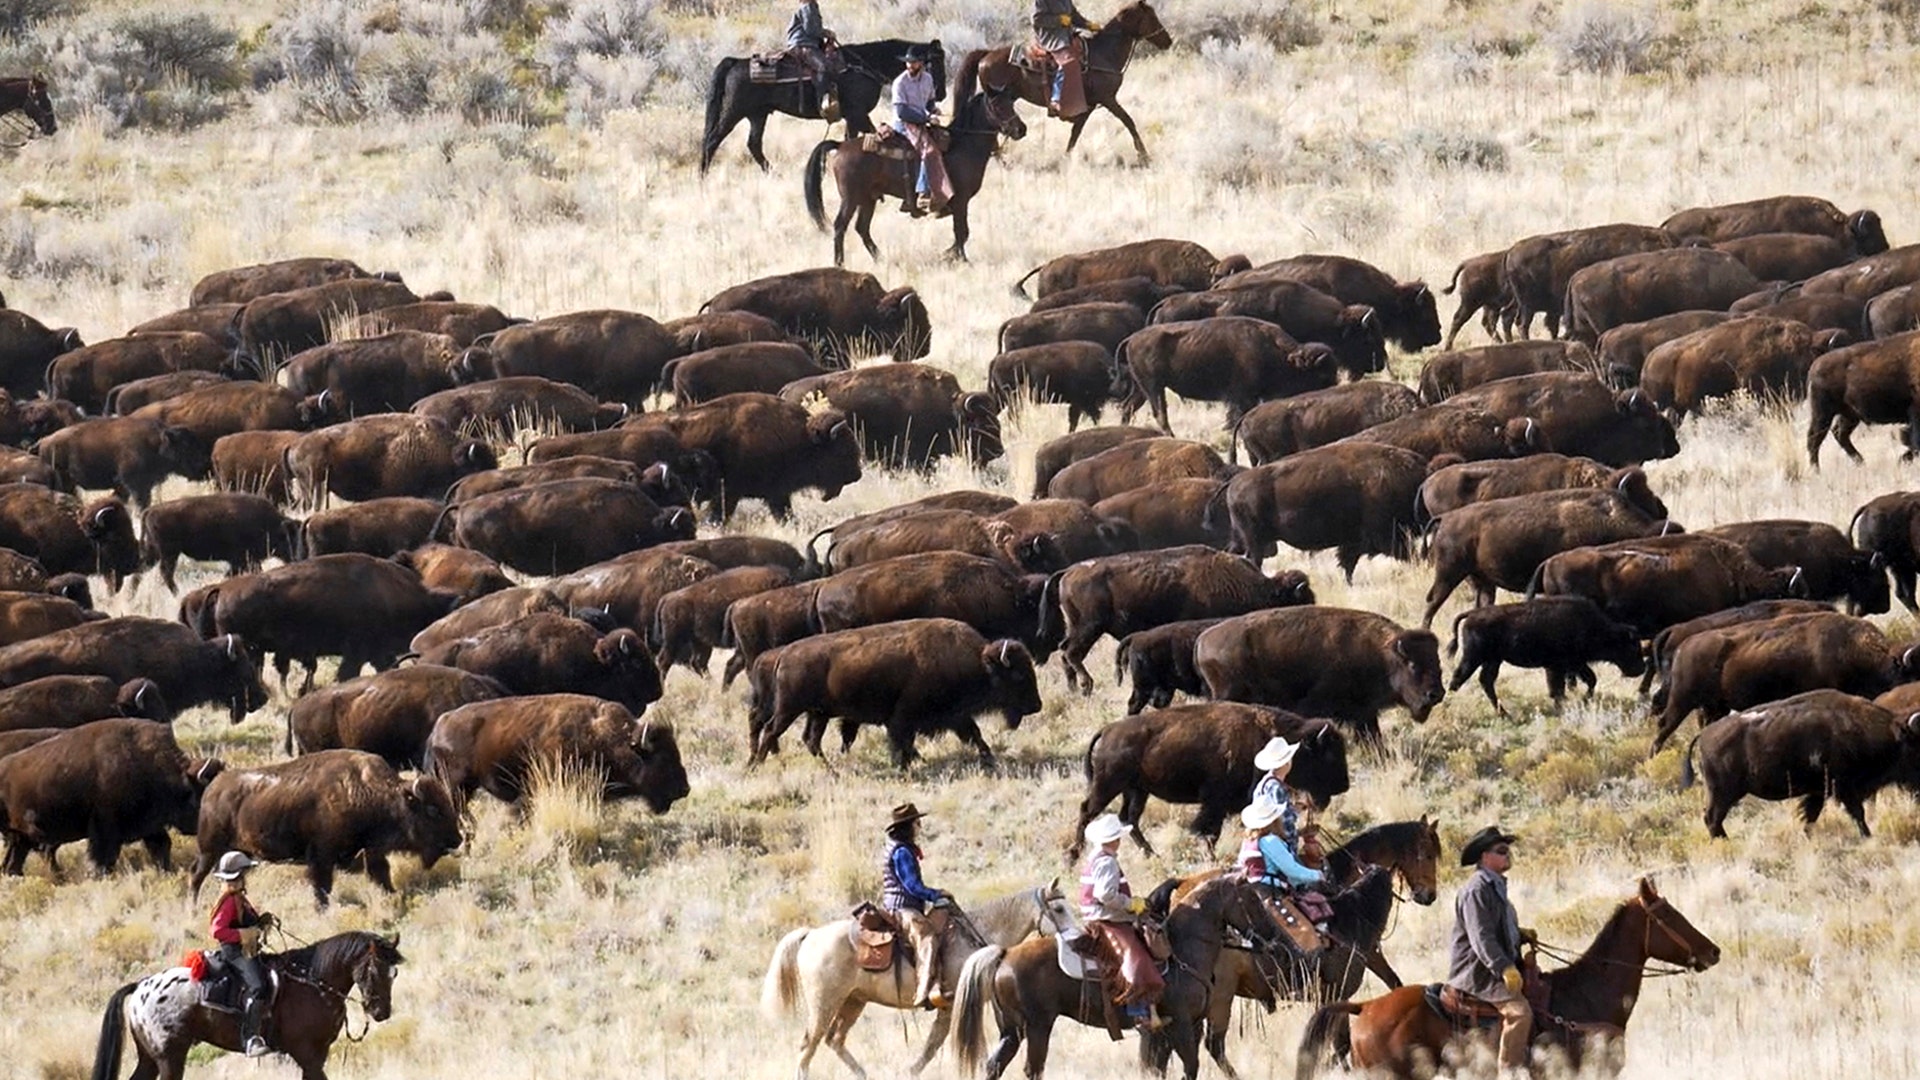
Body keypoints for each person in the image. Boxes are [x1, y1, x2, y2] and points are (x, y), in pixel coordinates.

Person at [1449, 826, 1533, 1076]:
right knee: (1520, 1013)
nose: (1507, 854)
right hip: (1478, 973)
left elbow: (1496, 928)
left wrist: (1521, 934)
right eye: (1501, 850)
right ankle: (1508, 1072)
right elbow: (1481, 938)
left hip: (1491, 966)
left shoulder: (1494, 886)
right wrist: (1504, 967)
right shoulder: (1476, 890)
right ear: (1484, 857)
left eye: (1507, 850)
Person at [1079, 812, 1166, 1031]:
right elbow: (1106, 895)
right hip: (1105, 920)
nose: (1120, 841)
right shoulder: (1107, 861)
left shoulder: (1097, 857)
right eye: (1118, 837)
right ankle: (1140, 1015)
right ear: (1114, 839)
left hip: (1100, 917)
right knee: (1135, 959)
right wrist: (1130, 904)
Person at [881, 802, 951, 1009]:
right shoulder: (902, 852)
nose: (919, 826)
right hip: (904, 908)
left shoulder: (896, 848)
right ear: (908, 826)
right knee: (927, 939)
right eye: (917, 823)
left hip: (898, 905)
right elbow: (912, 886)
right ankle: (924, 991)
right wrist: (936, 894)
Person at [208, 851, 276, 1057]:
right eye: (243, 874)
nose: (245, 878)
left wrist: (259, 923)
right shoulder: (229, 902)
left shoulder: (239, 899)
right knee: (258, 986)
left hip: (245, 950)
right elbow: (217, 931)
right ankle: (250, 1038)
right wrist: (244, 934)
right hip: (235, 953)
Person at [890, 46, 951, 216]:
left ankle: (941, 192)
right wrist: (926, 118)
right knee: (929, 150)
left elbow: (929, 102)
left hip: (921, 121)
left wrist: (933, 110)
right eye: (908, 62)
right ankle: (923, 194)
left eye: (914, 62)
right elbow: (902, 111)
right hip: (903, 123)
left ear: (921, 64)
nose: (910, 65)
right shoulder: (900, 83)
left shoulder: (928, 79)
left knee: (946, 141)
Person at [1030, 0, 1097, 118]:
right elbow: (1037, 19)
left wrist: (1088, 25)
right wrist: (1059, 20)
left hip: (1066, 35)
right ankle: (1055, 99)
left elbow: (1074, 16)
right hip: (1050, 37)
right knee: (1068, 62)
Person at [785, 0, 841, 119]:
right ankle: (823, 104)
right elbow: (811, 30)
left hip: (806, 43)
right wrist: (827, 33)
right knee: (823, 67)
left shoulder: (811, 6)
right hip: (803, 44)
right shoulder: (808, 6)